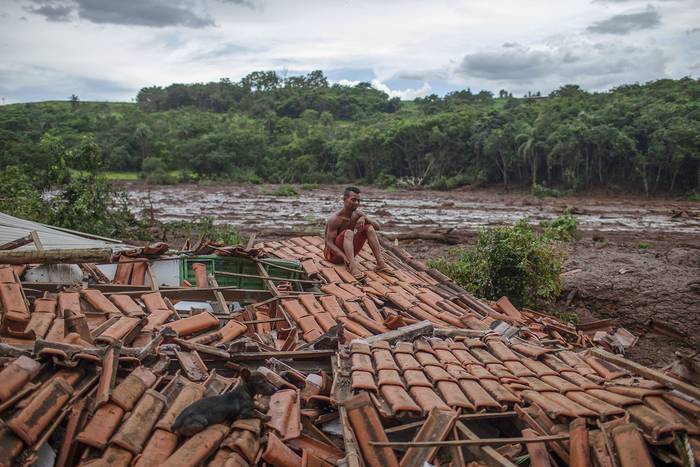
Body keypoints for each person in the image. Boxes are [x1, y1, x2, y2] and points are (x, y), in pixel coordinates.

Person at [324, 186, 390, 279]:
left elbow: (377, 227)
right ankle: (353, 267)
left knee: (369, 228)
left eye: (358, 201)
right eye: (353, 200)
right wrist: (344, 257)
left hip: (349, 252)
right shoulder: (335, 219)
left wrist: (365, 218)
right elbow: (329, 243)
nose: (356, 203)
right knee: (348, 232)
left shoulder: (358, 214)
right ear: (344, 199)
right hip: (334, 256)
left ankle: (380, 264)